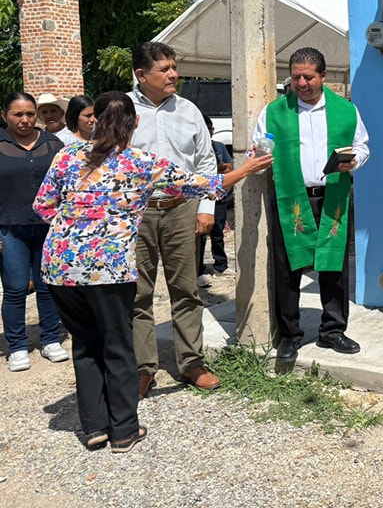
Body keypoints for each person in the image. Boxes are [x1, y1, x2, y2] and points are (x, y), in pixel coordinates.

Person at [33, 92, 272, 453]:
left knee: (84, 345)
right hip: (108, 269)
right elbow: (203, 185)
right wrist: (245, 169)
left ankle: (95, 427)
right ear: (136, 123)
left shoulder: (66, 156)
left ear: (94, 119)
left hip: (60, 266)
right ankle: (125, 430)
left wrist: (77, 229)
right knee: (117, 345)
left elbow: (42, 207)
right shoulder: (140, 163)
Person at [253, 47, 370, 361]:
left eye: (308, 77)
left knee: (333, 267)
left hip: (331, 197)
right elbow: (261, 145)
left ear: (323, 76)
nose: (301, 83)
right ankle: (290, 335)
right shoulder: (275, 111)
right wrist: (259, 154)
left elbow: (362, 146)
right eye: (295, 77)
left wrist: (355, 160)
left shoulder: (345, 110)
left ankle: (333, 330)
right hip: (293, 197)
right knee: (288, 266)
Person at [127, 41, 220, 399]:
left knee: (186, 289)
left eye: (174, 67)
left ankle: (191, 363)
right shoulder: (122, 109)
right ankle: (143, 368)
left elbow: (205, 162)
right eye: (164, 69)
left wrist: (207, 207)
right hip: (137, 213)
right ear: (141, 74)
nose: (173, 75)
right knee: (138, 294)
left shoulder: (189, 110)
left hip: (181, 209)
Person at [0, 92, 68, 371]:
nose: (25, 119)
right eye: (18, 114)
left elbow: (67, 184)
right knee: (15, 288)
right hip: (9, 227)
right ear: (4, 115)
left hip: (48, 228)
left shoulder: (53, 144)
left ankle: (51, 339)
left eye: (30, 113)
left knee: (48, 286)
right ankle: (17, 346)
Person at [196, 114, 234, 286]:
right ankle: (198, 269)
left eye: (210, 129)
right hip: (199, 195)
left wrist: (219, 170)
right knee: (200, 235)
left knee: (218, 232)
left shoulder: (218, 146)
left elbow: (229, 167)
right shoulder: (194, 148)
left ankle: (221, 265)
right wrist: (218, 169)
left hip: (218, 195)